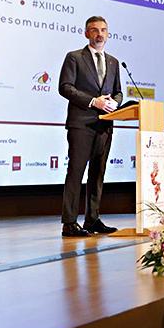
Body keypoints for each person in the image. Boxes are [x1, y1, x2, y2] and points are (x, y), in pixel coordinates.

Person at [58, 15, 123, 237]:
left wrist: (116, 102)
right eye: (94, 30)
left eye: (103, 30)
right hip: (81, 124)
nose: (99, 34)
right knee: (76, 172)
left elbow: (118, 91)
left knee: (98, 173)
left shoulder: (113, 62)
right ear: (86, 33)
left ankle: (92, 219)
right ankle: (69, 223)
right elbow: (65, 87)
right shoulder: (74, 58)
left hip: (104, 125)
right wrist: (93, 101)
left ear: (108, 33)